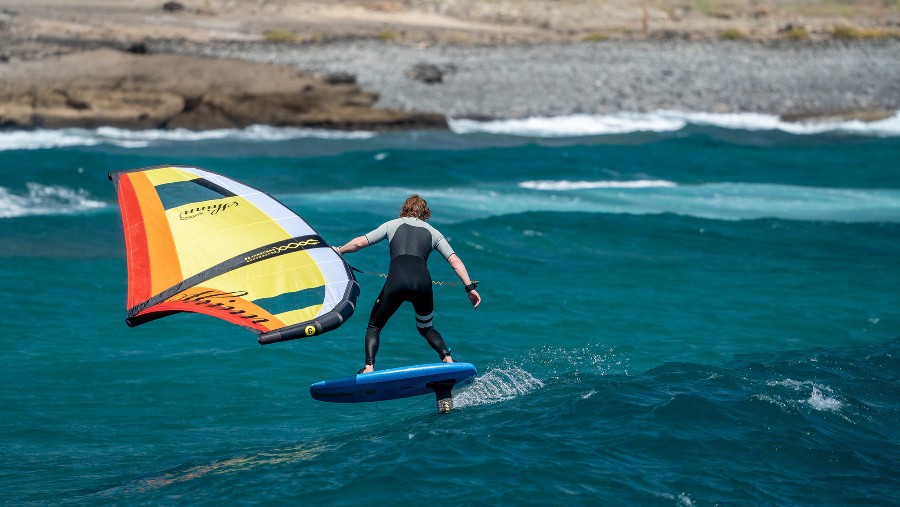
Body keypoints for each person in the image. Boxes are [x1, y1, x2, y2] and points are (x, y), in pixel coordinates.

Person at [334, 195, 481, 374]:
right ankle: (448, 360)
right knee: (426, 327)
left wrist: (339, 251)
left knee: (375, 326)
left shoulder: (393, 224)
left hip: (397, 281)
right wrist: (469, 288)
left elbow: (360, 242)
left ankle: (369, 367)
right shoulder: (434, 233)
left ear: (404, 209)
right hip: (423, 284)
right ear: (425, 213)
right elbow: (455, 261)